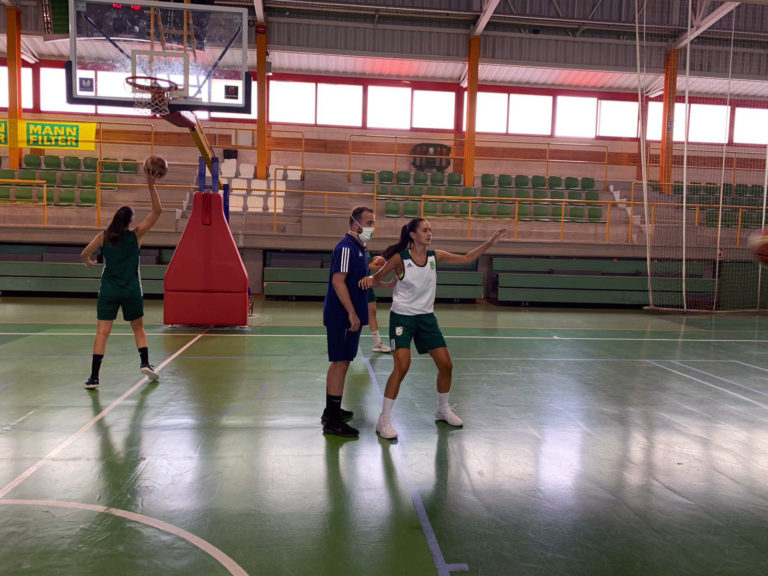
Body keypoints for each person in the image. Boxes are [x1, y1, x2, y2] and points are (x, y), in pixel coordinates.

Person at [360, 218, 506, 440]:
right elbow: (377, 279)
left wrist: (489, 243)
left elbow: (467, 258)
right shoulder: (400, 258)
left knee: (446, 365)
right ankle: (384, 420)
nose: (429, 233)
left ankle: (442, 409)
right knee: (402, 367)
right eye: (425, 230)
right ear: (412, 235)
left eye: (430, 230)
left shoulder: (434, 256)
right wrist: (367, 278)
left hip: (426, 318)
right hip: (402, 318)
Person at [81, 170, 163, 390]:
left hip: (108, 290)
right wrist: (150, 184)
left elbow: (83, 254)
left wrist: (89, 263)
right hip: (131, 290)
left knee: (102, 333)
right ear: (130, 222)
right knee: (138, 329)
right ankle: (145, 362)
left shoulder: (103, 236)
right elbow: (157, 211)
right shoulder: (135, 236)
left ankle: (94, 377)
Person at [321, 206, 376, 438]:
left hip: (349, 315)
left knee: (341, 362)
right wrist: (352, 313)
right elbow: (338, 281)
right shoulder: (345, 248)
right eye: (369, 222)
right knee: (340, 363)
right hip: (342, 316)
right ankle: (333, 422)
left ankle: (330, 411)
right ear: (355, 224)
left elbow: (356, 280)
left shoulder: (359, 248)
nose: (373, 227)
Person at [365, 247, 392, 354]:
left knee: (372, 311)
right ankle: (338, 340)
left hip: (366, 285)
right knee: (350, 315)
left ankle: (377, 344)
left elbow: (368, 272)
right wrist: (368, 266)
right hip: (354, 286)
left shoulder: (366, 250)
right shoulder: (352, 248)